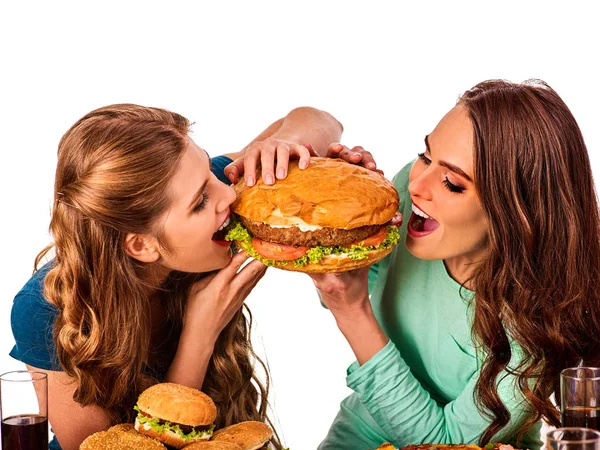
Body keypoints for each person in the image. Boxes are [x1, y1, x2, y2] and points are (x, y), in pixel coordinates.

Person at [8, 103, 351, 450]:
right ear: (141, 245)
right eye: (201, 201)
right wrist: (200, 334)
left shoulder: (206, 191)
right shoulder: (46, 308)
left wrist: (278, 147)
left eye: (209, 172)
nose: (228, 193)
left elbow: (319, 120)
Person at [308, 80, 600, 450]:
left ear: (513, 216)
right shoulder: (408, 196)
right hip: (356, 436)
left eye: (451, 182)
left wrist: (352, 314)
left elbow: (442, 444)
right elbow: (345, 284)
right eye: (426, 157)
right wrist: (339, 211)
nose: (418, 185)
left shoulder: (536, 333)